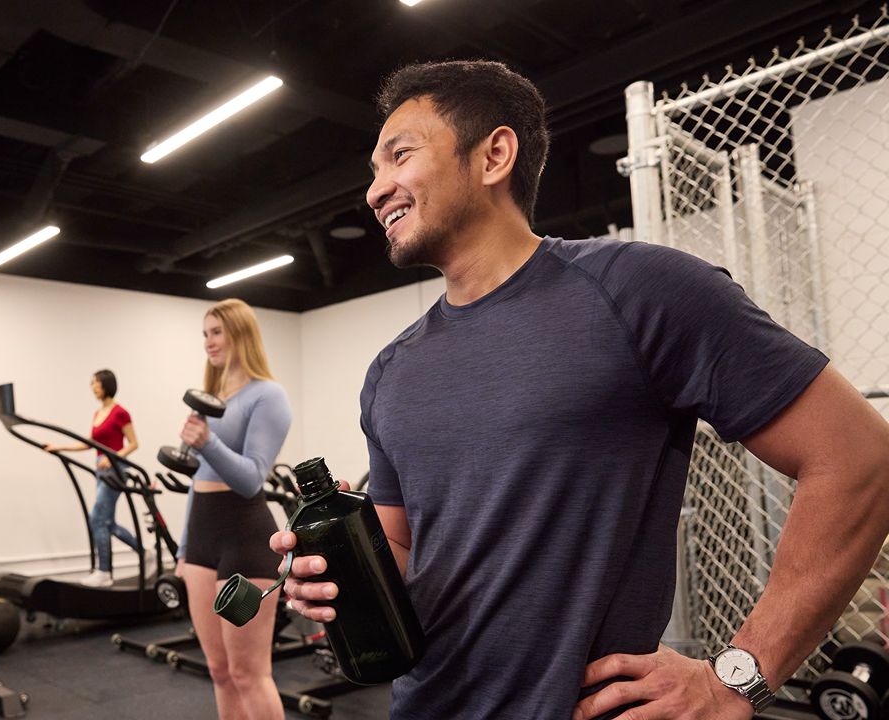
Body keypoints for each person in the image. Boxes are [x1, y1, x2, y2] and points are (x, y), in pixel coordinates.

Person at [272, 60, 889, 720]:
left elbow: (859, 458)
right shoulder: (391, 370)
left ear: (495, 155)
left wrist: (737, 676)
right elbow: (401, 550)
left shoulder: (638, 291)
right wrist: (340, 576)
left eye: (399, 156)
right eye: (373, 170)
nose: (375, 189)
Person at [179, 298, 292, 720]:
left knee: (248, 673)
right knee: (219, 671)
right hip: (203, 536)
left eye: (217, 332)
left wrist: (207, 441)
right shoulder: (212, 396)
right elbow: (197, 477)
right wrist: (183, 549)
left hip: (245, 535)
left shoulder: (268, 395)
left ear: (240, 333)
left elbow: (251, 478)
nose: (209, 342)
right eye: (205, 333)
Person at [44, 369, 147, 588]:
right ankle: (144, 552)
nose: (93, 387)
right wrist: (59, 448)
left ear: (106, 384)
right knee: (107, 523)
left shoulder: (120, 412)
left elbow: (133, 443)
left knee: (96, 519)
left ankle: (104, 572)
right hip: (100, 470)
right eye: (91, 384)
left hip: (115, 469)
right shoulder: (97, 413)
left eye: (95, 383)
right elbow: (89, 443)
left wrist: (112, 458)